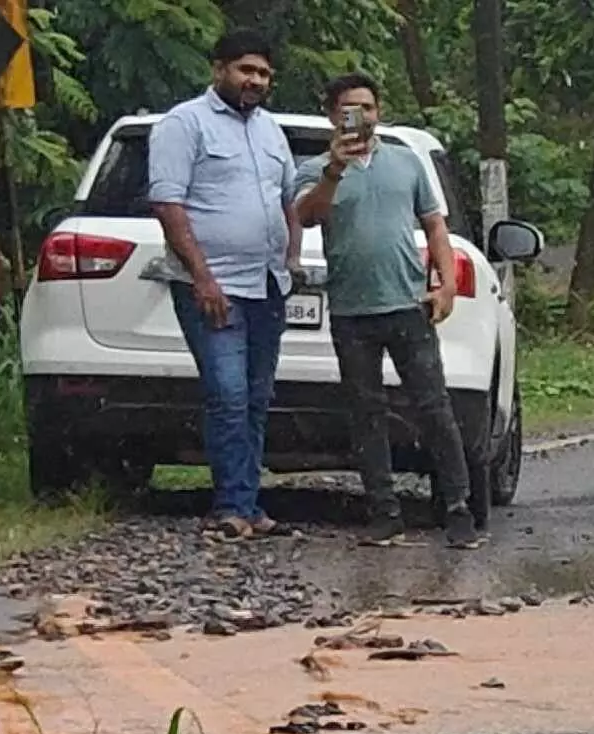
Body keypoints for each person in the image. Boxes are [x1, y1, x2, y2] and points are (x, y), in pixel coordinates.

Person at [289, 73, 477, 547]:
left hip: (408, 306)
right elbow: (307, 216)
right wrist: (334, 170)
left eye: (368, 108)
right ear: (333, 115)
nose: (361, 117)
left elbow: (435, 225)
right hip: (352, 312)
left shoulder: (406, 161)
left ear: (379, 111)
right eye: (350, 109)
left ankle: (458, 509)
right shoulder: (314, 169)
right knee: (365, 412)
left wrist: (446, 285)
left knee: (434, 408)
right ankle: (383, 510)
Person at [145, 31, 303, 538]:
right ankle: (231, 506)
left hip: (267, 284)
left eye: (263, 74)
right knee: (228, 395)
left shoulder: (271, 131)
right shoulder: (183, 124)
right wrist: (203, 278)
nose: (255, 81)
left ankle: (249, 507)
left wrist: (292, 257)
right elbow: (169, 204)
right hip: (216, 286)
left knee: (257, 397)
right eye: (245, 70)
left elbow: (288, 200)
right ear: (219, 70)